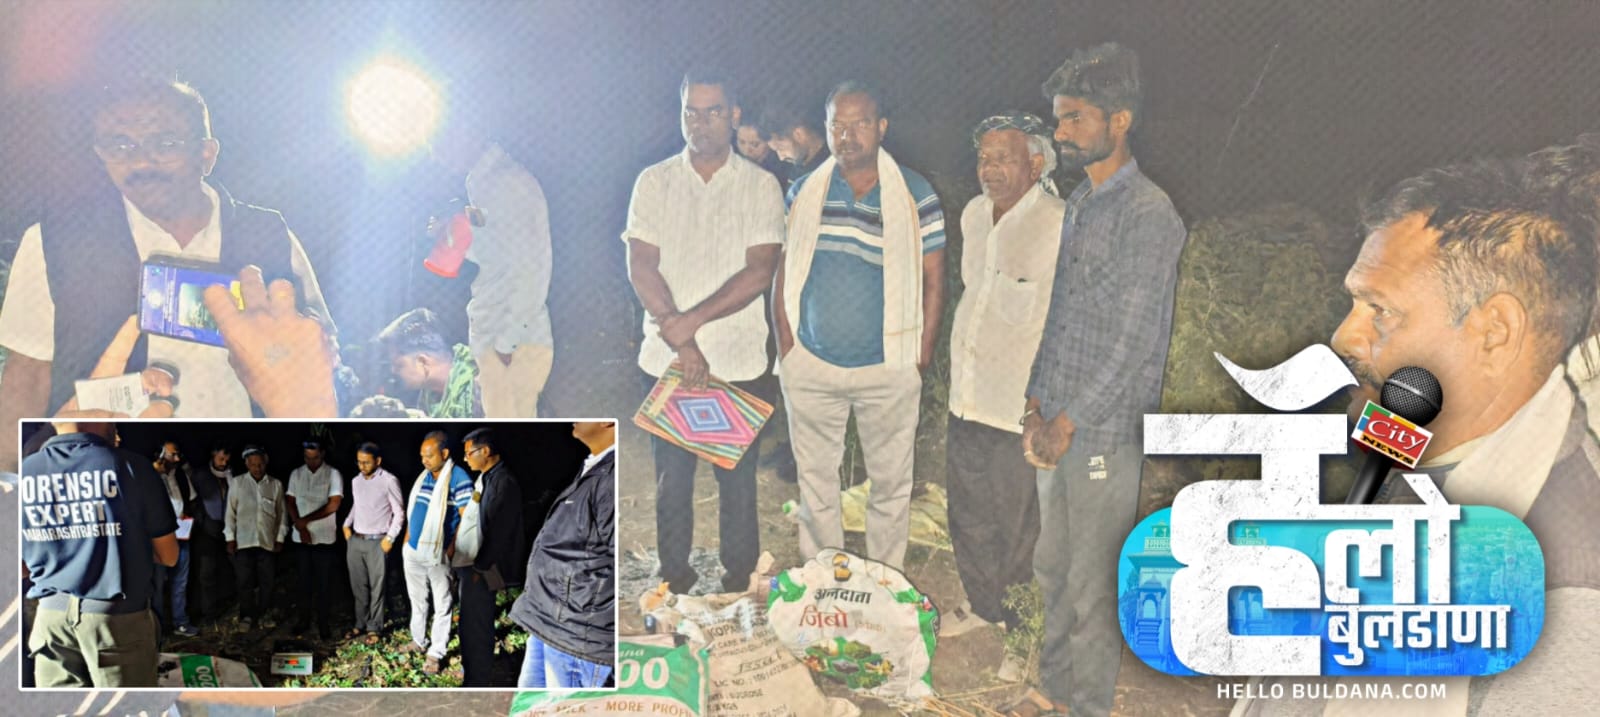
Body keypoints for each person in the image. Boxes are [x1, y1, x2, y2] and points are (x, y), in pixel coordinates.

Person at [1236, 156, 1600, 717]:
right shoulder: (1435, 449)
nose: (1343, 338)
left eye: (1379, 310)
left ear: (1495, 334)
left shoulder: (1562, 605)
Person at [0, 76, 337, 471]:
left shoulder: (268, 236)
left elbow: (318, 353)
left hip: (241, 462)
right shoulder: (55, 241)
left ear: (206, 155)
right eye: (120, 145)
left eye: (165, 143)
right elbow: (27, 374)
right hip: (113, 472)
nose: (141, 162)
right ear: (100, 155)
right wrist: (8, 477)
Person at [1013, 43, 1187, 717]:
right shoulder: (1084, 202)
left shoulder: (1149, 214)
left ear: (1120, 120)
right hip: (1058, 417)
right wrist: (1035, 397)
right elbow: (1062, 312)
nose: (1060, 132)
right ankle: (1053, 691)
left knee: (1090, 582)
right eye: (1058, 118)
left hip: (1103, 433)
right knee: (1052, 567)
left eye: (1075, 118)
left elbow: (1131, 342)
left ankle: (1087, 705)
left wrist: (1067, 421)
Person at [774, 80, 947, 571]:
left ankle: (885, 581)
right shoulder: (804, 191)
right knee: (816, 485)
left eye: (860, 123)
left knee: (891, 486)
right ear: (826, 128)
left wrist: (920, 356)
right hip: (812, 363)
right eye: (838, 125)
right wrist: (787, 344)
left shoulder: (914, 194)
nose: (847, 135)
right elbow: (784, 271)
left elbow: (934, 281)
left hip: (888, 366)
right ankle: (822, 582)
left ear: (882, 127)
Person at [623, 70, 785, 592]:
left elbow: (760, 270)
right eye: (690, 111)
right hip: (669, 362)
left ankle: (739, 583)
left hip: (737, 361)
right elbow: (641, 265)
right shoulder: (654, 181)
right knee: (672, 483)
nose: (700, 122)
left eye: (713, 111)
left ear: (734, 115)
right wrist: (684, 342)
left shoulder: (760, 185)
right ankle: (675, 580)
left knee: (737, 481)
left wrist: (687, 324)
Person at [939, 113, 1064, 679]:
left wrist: (1046, 404)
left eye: (1003, 158)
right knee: (969, 514)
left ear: (1035, 164)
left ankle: (1022, 632)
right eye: (983, 158)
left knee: (1020, 530)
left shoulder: (1057, 223)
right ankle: (984, 606)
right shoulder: (973, 214)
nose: (989, 169)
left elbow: (1062, 321)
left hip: (1018, 405)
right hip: (967, 396)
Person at [20, 420, 177, 686]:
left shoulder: (24, 473)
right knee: (127, 704)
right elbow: (168, 555)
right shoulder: (132, 467)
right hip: (116, 621)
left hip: (50, 621)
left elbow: (19, 567)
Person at [429, 117, 554, 418]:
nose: (437, 157)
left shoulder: (507, 182)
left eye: (440, 146)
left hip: (512, 340)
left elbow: (532, 265)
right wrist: (451, 235)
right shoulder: (483, 182)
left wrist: (508, 340)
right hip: (496, 335)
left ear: (466, 133)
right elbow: (496, 254)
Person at [509, 421, 616, 688]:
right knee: (531, 704)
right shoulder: (594, 467)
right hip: (550, 623)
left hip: (578, 635)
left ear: (607, 422)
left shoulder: (613, 478)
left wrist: (587, 611)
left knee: (566, 706)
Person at [455, 427, 525, 686]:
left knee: (477, 625)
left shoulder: (503, 482)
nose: (465, 459)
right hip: (473, 564)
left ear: (484, 451)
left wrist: (480, 567)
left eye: (468, 453)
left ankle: (478, 680)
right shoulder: (487, 478)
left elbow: (499, 530)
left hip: (483, 569)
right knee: (469, 623)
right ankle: (473, 673)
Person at [401, 430, 474, 675]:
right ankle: (419, 640)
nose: (424, 460)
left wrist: (452, 548)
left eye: (429, 456)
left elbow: (467, 517)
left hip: (438, 552)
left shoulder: (458, 477)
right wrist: (407, 539)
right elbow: (415, 510)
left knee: (442, 603)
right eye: (422, 456)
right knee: (417, 599)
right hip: (414, 550)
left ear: (444, 453)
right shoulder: (424, 477)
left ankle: (436, 652)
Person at [342, 441, 403, 643]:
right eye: (359, 462)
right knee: (358, 586)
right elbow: (357, 505)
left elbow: (399, 512)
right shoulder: (356, 481)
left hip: (378, 541)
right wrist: (346, 524)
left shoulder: (388, 480)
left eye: (366, 462)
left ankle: (374, 627)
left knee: (377, 587)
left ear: (378, 461)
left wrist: (390, 538)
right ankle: (360, 623)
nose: (362, 466)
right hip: (356, 539)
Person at [225, 444, 288, 630]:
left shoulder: (275, 485)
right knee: (244, 581)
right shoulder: (237, 483)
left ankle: (263, 614)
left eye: (260, 464)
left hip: (267, 541)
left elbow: (282, 514)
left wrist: (280, 538)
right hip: (243, 541)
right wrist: (230, 537)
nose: (257, 468)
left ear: (265, 463)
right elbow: (230, 513)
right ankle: (246, 615)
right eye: (253, 464)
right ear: (247, 464)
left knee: (267, 581)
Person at [378, 307, 484, 418]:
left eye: (399, 365)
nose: (393, 370)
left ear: (422, 362)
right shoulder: (427, 400)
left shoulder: (480, 385)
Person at [286, 437, 343, 638]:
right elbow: (290, 501)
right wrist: (299, 525)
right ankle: (304, 620)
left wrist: (306, 521)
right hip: (301, 539)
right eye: (307, 458)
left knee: (324, 583)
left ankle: (323, 623)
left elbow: (333, 504)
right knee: (303, 582)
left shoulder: (333, 474)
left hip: (324, 538)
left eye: (315, 457)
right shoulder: (296, 474)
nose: (311, 462)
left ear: (322, 454)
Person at [151, 438, 201, 637]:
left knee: (180, 582)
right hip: (158, 538)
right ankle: (159, 627)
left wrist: (188, 517)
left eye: (178, 454)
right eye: (173, 454)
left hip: (181, 535)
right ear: (160, 455)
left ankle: (180, 622)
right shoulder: (149, 476)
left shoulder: (180, 475)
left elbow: (192, 499)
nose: (177, 459)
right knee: (157, 584)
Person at [189, 441, 235, 625]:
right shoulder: (200, 475)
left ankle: (225, 604)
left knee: (227, 570)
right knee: (206, 573)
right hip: (206, 530)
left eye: (227, 460)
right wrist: (202, 521)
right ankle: (207, 613)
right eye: (221, 459)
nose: (224, 463)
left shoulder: (232, 475)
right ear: (213, 455)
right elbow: (193, 501)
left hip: (229, 529)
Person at [763, 103, 830, 192]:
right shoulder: (797, 168)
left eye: (781, 148)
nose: (781, 157)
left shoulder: (831, 170)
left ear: (799, 134)